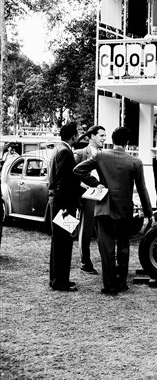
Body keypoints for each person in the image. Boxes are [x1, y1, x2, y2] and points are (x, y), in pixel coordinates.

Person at [74, 127, 154, 295]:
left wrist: (96, 183)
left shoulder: (101, 155)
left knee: (106, 249)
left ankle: (110, 286)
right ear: (127, 143)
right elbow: (142, 189)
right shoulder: (135, 162)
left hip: (104, 208)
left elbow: (78, 170)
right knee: (123, 247)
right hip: (125, 210)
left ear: (112, 139)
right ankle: (122, 282)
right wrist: (149, 213)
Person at [45, 121, 80, 292]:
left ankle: (56, 279)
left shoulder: (57, 149)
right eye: (77, 133)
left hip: (58, 202)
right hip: (64, 205)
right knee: (64, 243)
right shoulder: (65, 152)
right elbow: (63, 182)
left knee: (58, 242)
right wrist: (67, 207)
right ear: (73, 136)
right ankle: (61, 282)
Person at [73, 125, 107, 275]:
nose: (104, 139)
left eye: (105, 136)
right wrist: (85, 187)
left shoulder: (104, 155)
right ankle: (85, 262)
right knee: (85, 231)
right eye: (101, 135)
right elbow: (74, 175)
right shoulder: (80, 153)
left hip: (103, 197)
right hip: (87, 197)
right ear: (92, 136)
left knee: (103, 231)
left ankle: (106, 261)